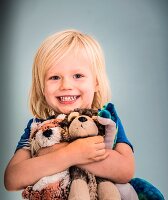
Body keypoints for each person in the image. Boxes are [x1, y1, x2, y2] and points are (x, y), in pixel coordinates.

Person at [4, 29, 138, 199]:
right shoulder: (38, 127)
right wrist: (70, 154)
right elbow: (12, 178)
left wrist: (64, 153)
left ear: (96, 82)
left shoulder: (106, 120)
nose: (66, 85)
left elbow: (125, 170)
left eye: (77, 75)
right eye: (54, 77)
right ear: (41, 86)